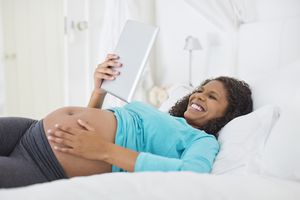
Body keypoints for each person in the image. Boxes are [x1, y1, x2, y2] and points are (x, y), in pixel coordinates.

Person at [0, 54, 253, 188]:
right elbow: (91, 127)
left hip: (45, 165)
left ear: (228, 114)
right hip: (29, 129)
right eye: (200, 89)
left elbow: (192, 172)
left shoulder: (202, 141)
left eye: (212, 96)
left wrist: (104, 151)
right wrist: (99, 91)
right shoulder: (166, 119)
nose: (199, 95)